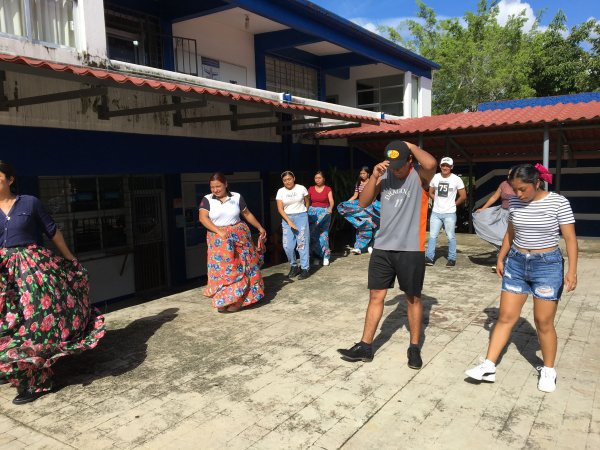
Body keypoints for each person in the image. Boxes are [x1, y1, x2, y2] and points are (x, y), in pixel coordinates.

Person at [465, 163, 578, 393]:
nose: (518, 194)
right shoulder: (515, 202)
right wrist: (501, 257)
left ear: (537, 183)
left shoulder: (558, 202)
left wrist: (572, 271)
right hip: (516, 263)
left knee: (543, 322)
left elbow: (570, 238)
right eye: (514, 189)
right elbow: (510, 233)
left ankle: (548, 369)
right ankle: (488, 365)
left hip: (547, 266)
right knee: (505, 316)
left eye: (523, 189)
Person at [0, 161, 106, 405]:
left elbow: (52, 231)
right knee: (6, 321)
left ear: (10, 179)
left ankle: (36, 381)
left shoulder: (29, 202)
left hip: (33, 269)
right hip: (4, 272)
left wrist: (70, 258)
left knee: (36, 321)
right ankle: (11, 366)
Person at [337, 140, 437, 369]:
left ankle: (414, 347)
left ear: (410, 160)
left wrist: (408, 144)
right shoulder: (384, 176)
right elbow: (363, 203)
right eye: (393, 165)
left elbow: (431, 163)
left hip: (411, 248)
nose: (396, 169)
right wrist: (373, 177)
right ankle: (365, 346)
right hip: (383, 246)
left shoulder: (419, 177)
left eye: (400, 165)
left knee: (413, 298)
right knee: (375, 296)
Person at [199, 172, 267, 312]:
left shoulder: (236, 197)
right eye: (212, 187)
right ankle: (224, 300)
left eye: (218, 186)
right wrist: (218, 231)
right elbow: (203, 218)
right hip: (219, 241)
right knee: (224, 271)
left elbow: (246, 214)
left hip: (239, 237)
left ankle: (239, 300)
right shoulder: (207, 199)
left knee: (244, 267)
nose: (215, 190)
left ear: (226, 184)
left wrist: (259, 227)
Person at [425, 157, 467, 267]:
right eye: (443, 165)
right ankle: (429, 258)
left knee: (451, 236)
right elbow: (430, 192)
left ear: (452, 167)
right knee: (432, 236)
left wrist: (454, 204)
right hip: (436, 212)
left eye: (448, 165)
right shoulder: (435, 177)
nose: (445, 167)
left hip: (450, 213)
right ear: (440, 166)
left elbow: (463, 196)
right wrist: (437, 200)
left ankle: (452, 259)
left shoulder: (457, 179)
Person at [472, 169, 516, 270]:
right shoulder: (503, 184)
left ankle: (508, 262)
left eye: (511, 175)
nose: (509, 177)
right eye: (508, 175)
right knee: (501, 237)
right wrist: (483, 208)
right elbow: (494, 197)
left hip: (515, 214)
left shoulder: (520, 185)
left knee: (511, 239)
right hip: (502, 213)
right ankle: (503, 261)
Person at [337, 166, 380, 255]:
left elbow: (374, 195)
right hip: (360, 206)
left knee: (372, 226)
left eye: (364, 173)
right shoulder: (358, 183)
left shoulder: (373, 182)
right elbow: (355, 195)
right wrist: (346, 203)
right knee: (362, 226)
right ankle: (359, 247)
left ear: (368, 174)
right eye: (361, 173)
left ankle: (371, 245)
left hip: (371, 207)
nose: (362, 175)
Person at [276, 171, 310, 280]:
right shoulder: (280, 191)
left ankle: (305, 268)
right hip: (287, 218)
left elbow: (307, 201)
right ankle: (294, 266)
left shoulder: (301, 188)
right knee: (287, 246)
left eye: (289, 179)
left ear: (294, 178)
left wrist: (305, 212)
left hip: (301, 217)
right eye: (285, 180)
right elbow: (280, 208)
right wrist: (289, 221)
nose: (287, 182)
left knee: (302, 243)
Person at [307, 171, 334, 266]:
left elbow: (331, 200)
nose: (317, 180)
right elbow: (307, 201)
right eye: (316, 178)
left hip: (324, 213)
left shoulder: (327, 189)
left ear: (324, 179)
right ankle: (316, 256)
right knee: (313, 236)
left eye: (319, 178)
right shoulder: (310, 189)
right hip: (313, 213)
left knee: (323, 236)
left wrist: (330, 208)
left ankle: (326, 256)